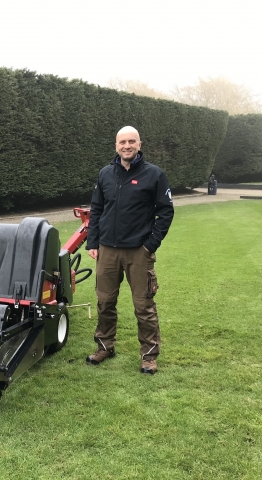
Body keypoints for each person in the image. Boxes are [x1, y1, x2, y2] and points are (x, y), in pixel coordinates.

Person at [85, 126, 174, 374]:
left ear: (139, 144)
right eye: (122, 142)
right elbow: (97, 210)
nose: (127, 146)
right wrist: (93, 242)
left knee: (143, 306)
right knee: (104, 301)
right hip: (107, 251)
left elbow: (166, 212)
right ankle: (105, 346)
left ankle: (149, 356)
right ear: (116, 146)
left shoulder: (154, 175)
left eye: (131, 141)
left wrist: (150, 245)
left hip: (138, 251)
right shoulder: (105, 174)